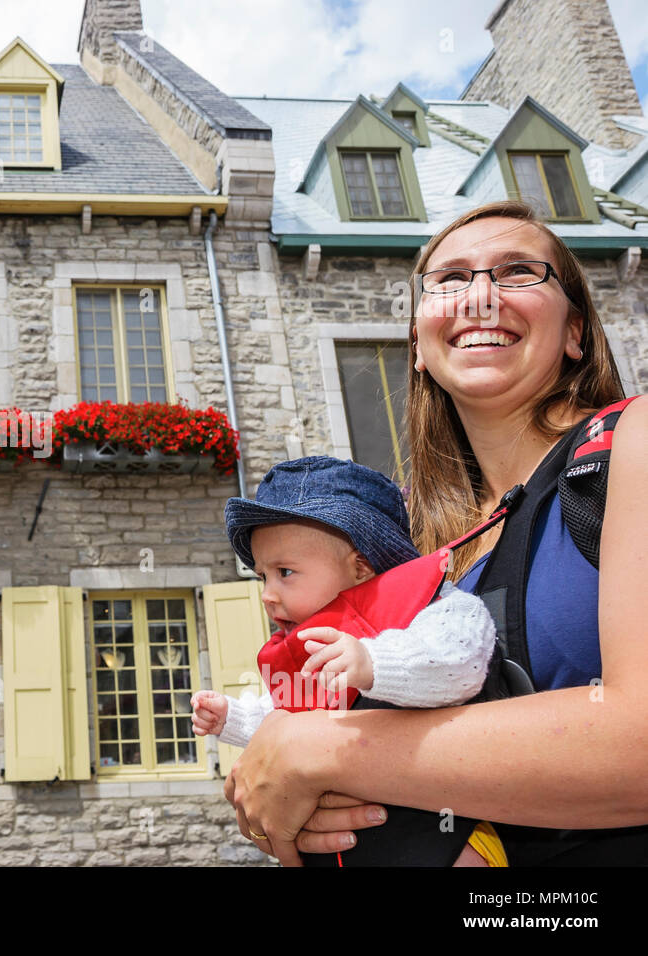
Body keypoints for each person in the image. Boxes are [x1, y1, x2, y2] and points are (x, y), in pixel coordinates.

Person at [221, 199, 648, 866]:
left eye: (517, 273)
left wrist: (327, 750)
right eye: (448, 279)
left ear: (575, 333)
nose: (479, 296)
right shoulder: (429, 556)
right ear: (419, 345)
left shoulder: (632, 443)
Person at [192, 456, 505, 866]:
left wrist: (375, 662)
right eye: (261, 576)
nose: (268, 593)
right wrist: (233, 719)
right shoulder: (307, 643)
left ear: (360, 567)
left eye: (285, 572)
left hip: (447, 838)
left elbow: (462, 661)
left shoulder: (432, 606)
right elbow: (286, 718)